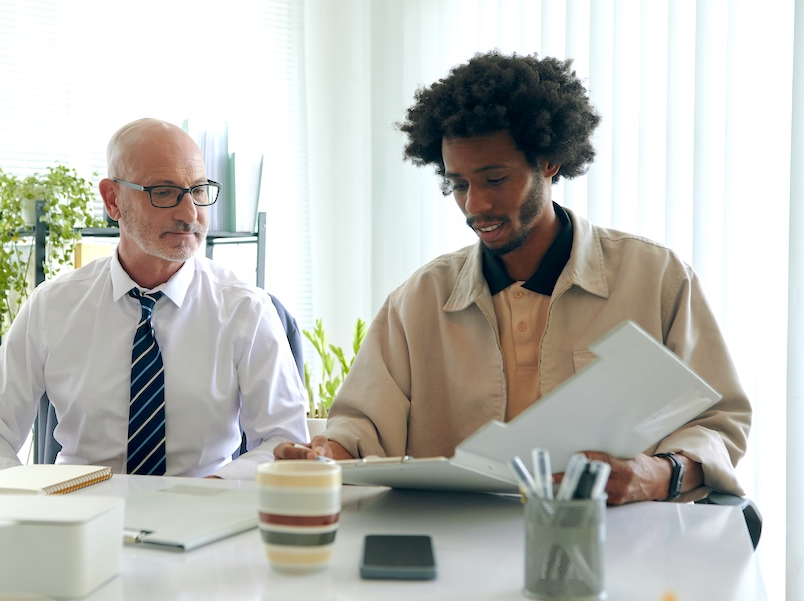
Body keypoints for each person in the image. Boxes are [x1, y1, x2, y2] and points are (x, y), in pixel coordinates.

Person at [276, 51, 750, 504]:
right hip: (460, 550)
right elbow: (359, 430)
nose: (475, 205)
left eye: (495, 179)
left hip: (615, 544)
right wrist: (325, 454)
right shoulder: (418, 300)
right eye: (458, 185)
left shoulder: (656, 279)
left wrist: (658, 475)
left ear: (549, 162)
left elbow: (719, 421)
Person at [0, 118, 308, 479]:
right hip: (80, 516)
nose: (189, 214)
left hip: (201, 516)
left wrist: (213, 488)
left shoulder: (245, 310)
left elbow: (285, 442)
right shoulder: (52, 307)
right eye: (164, 192)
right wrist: (21, 500)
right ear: (113, 200)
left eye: (199, 191)